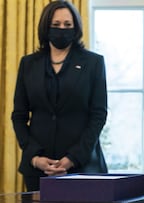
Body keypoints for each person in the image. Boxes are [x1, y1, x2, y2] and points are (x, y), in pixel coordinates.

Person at [11, 0, 108, 191]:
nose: (61, 29)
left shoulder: (93, 63)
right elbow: (19, 116)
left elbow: (98, 115)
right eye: (56, 25)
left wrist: (72, 158)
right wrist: (34, 157)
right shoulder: (28, 64)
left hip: (83, 168)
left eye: (67, 25)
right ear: (46, 27)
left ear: (76, 28)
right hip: (38, 170)